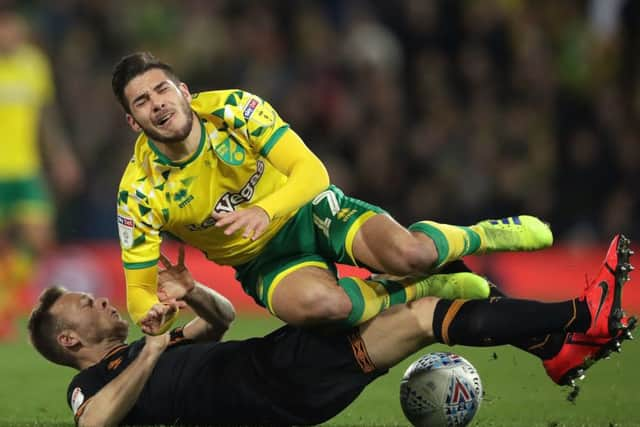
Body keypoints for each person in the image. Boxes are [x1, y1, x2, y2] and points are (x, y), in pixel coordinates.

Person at [112, 51, 554, 332]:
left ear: (184, 92)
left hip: (310, 209)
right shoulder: (139, 191)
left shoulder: (234, 110)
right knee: (324, 306)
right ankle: (428, 288)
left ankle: (485, 234)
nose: (158, 104)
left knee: (411, 254)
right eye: (142, 102)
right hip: (260, 260)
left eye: (162, 90)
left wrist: (266, 210)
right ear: (134, 122)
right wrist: (146, 312)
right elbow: (139, 288)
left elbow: (312, 172)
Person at [28, 235, 636, 426]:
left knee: (424, 284)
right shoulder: (94, 387)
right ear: (70, 343)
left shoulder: (142, 353)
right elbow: (98, 422)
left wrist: (193, 294)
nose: (100, 298)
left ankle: (554, 344)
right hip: (275, 386)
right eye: (84, 302)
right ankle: (576, 319)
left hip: (275, 362)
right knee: (421, 312)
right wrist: (157, 345)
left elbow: (222, 322)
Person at [0, 9, 82, 339]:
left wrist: (62, 156)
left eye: (12, 27)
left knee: (38, 237)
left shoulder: (34, 64)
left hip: (26, 170)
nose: (9, 34)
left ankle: (3, 304)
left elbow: (47, 117)